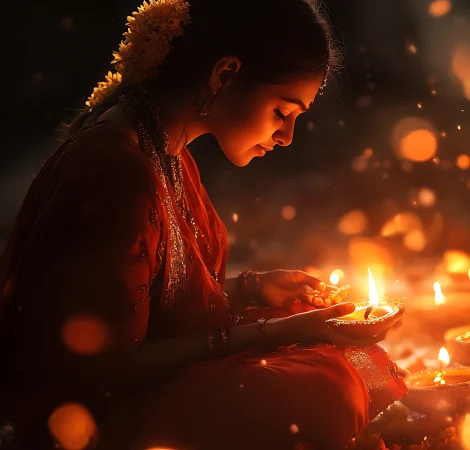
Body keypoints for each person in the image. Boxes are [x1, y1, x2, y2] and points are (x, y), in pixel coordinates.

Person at [0, 0, 407, 448]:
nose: (286, 137)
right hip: (88, 417)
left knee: (316, 330)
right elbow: (101, 368)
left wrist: (253, 288)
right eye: (282, 112)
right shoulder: (115, 171)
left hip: (142, 381)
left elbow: (153, 302)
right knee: (322, 389)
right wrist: (271, 333)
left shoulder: (166, 151)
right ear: (225, 75)